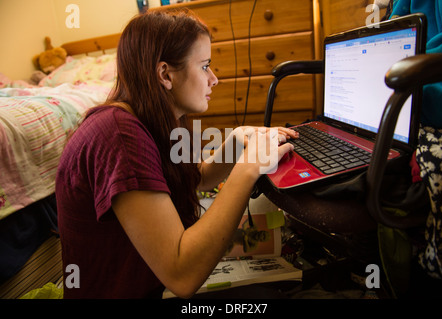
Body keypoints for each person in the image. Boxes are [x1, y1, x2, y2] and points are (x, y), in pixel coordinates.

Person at [55, 8, 297, 299]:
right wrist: (248, 168)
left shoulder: (149, 120)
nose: (214, 79)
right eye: (205, 66)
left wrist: (235, 142)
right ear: (165, 74)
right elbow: (182, 275)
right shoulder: (119, 135)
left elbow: (196, 178)